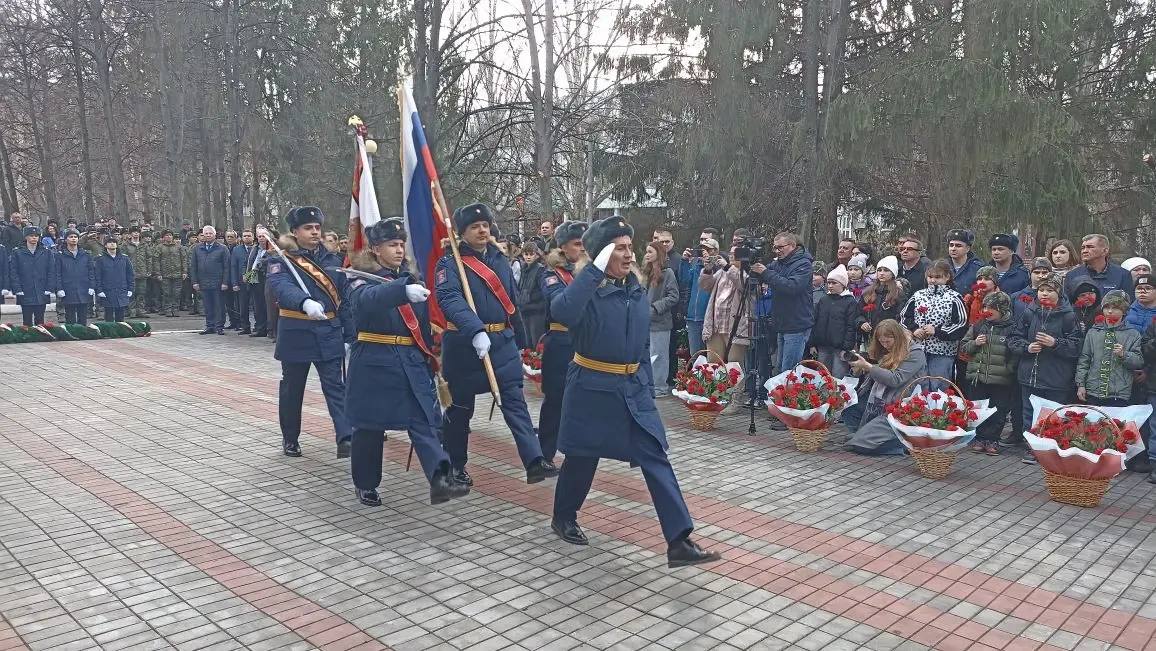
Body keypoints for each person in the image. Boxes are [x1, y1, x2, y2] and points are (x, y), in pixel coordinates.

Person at [548, 216, 720, 567]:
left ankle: (678, 540)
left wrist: (642, 384)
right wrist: (593, 272)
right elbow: (561, 312)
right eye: (619, 248)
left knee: (655, 454)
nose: (630, 255)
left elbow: (641, 346)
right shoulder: (585, 290)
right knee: (582, 458)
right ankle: (563, 516)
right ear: (599, 254)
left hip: (632, 391)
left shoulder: (635, 291)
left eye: (630, 247)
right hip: (592, 390)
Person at [345, 218, 469, 507]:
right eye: (392, 245)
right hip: (374, 361)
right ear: (376, 249)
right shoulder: (359, 277)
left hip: (409, 361)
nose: (399, 250)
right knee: (369, 428)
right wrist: (401, 291)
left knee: (423, 421)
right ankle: (365, 484)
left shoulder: (410, 280)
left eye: (401, 244)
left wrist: (429, 357)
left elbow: (421, 326)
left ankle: (440, 480)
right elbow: (367, 300)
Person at [435, 203, 552, 486]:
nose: (482, 230)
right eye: (475, 226)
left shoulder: (498, 259)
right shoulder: (450, 264)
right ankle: (456, 465)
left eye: (485, 225)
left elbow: (510, 301)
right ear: (462, 233)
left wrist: (522, 340)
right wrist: (475, 330)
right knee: (460, 410)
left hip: (500, 342)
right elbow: (450, 300)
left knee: (515, 402)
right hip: (465, 345)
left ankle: (534, 461)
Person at [267, 206, 353, 459]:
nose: (315, 232)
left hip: (328, 331)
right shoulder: (280, 259)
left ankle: (345, 437)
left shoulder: (332, 259)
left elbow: (344, 301)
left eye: (317, 228)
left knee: (336, 387)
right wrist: (304, 301)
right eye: (308, 228)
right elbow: (281, 287)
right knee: (293, 390)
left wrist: (349, 336)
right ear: (295, 231)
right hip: (297, 333)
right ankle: (290, 438)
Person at [1008, 273, 1082, 464]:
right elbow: (1014, 338)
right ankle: (1032, 448)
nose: (1045, 294)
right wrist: (1027, 347)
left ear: (1059, 292)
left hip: (1055, 377)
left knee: (1051, 414)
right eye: (1041, 290)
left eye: (1050, 290)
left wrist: (1055, 343)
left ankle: (1048, 448)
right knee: (1029, 413)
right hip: (1028, 374)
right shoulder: (1029, 312)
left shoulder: (1069, 316)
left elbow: (1076, 346)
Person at [539, 221, 587, 467]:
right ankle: (545, 454)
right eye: (577, 244)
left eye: (584, 244)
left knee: (580, 402)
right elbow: (561, 308)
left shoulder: (589, 272)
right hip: (560, 343)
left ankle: (575, 452)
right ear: (563, 247)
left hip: (583, 342)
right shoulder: (551, 275)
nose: (582, 249)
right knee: (555, 401)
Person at [843, 320, 928, 455]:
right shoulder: (888, 351)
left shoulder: (915, 353)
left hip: (899, 405)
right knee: (848, 407)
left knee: (859, 445)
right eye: (882, 342)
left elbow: (895, 379)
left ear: (898, 338)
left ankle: (905, 445)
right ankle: (866, 435)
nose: (885, 345)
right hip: (881, 401)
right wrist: (860, 369)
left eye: (888, 342)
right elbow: (878, 375)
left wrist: (869, 367)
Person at [700, 231, 755, 411]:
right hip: (717, 325)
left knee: (734, 364)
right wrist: (708, 270)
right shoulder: (722, 273)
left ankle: (735, 401)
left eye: (735, 255)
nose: (731, 257)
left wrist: (727, 268)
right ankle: (714, 396)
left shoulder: (745, 274)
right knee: (713, 361)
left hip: (736, 327)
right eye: (730, 254)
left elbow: (743, 286)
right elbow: (705, 286)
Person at [959, 292, 1017, 455]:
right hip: (978, 376)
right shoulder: (978, 326)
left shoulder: (1012, 328)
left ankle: (993, 439)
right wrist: (975, 343)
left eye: (991, 308)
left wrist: (1009, 369)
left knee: (998, 410)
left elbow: (1015, 353)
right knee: (979, 409)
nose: (987, 311)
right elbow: (964, 347)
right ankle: (979, 437)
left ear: (1002, 309)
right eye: (985, 307)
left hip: (1001, 378)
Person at [751, 232, 816, 376]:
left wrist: (766, 272)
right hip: (781, 323)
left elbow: (792, 287)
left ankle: (786, 397)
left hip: (796, 324)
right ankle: (778, 397)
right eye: (775, 248)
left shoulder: (804, 264)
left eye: (780, 247)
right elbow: (763, 273)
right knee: (780, 367)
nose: (777, 251)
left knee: (788, 371)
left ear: (792, 246)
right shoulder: (779, 263)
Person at [899, 260, 968, 386]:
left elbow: (961, 324)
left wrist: (937, 331)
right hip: (918, 349)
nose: (933, 280)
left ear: (947, 277)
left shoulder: (954, 298)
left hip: (942, 351)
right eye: (930, 277)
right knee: (917, 383)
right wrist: (914, 330)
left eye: (938, 277)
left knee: (937, 384)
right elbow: (904, 317)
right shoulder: (918, 295)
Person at [1075, 290, 1144, 408]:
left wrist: (1124, 355)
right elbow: (1084, 360)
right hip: (1093, 391)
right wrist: (1081, 384)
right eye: (1107, 307)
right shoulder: (1093, 332)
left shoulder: (1133, 334)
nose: (1110, 311)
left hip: (1119, 393)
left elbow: (1138, 362)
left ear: (1124, 311)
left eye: (1115, 308)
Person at [643, 241, 679, 397]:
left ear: (658, 253)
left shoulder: (668, 272)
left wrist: (655, 307)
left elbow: (674, 296)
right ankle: (648, 385)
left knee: (659, 356)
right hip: (645, 321)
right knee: (647, 355)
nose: (647, 254)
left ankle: (660, 387)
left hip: (660, 322)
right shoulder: (646, 272)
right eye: (646, 251)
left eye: (650, 251)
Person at [810, 265, 859, 378]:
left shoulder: (850, 302)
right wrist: (812, 344)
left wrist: (846, 348)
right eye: (829, 283)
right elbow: (815, 322)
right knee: (822, 375)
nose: (830, 286)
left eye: (834, 283)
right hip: (823, 345)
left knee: (838, 377)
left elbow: (851, 326)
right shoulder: (823, 300)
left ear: (843, 284)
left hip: (840, 348)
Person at [1064, 233, 1134, 301]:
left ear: (1105, 251)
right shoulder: (1072, 275)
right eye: (1083, 248)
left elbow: (1129, 302)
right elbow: (1067, 306)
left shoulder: (1123, 275)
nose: (1084, 251)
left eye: (1090, 247)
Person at [9, 226, 56, 326]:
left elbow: (51, 271)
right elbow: (14, 272)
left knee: (40, 319)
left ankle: (40, 336)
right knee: (27, 320)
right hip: (25, 289)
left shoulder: (46, 252)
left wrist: (49, 287)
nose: (34, 238)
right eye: (31, 236)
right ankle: (28, 337)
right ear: (26, 237)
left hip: (41, 288)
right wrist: (17, 288)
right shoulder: (17, 252)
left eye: (36, 236)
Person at [681, 233, 719, 355]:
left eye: (708, 249)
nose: (705, 252)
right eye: (702, 249)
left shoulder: (720, 268)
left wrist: (710, 265)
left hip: (711, 319)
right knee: (695, 357)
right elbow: (684, 281)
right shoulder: (695, 266)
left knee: (712, 357)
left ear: (716, 251)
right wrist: (685, 262)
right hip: (693, 318)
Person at [190, 226, 230, 334]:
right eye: (205, 234)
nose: (208, 235)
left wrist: (225, 282)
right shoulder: (197, 248)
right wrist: (195, 282)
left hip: (218, 282)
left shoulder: (222, 248)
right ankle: (209, 326)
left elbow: (227, 267)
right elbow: (193, 266)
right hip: (203, 282)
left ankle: (219, 327)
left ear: (214, 235)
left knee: (219, 306)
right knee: (207, 306)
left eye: (210, 234)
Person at [857, 256, 905, 344]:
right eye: (879, 270)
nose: (881, 273)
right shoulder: (868, 292)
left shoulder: (898, 294)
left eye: (886, 270)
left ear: (893, 273)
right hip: (869, 337)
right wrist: (862, 323)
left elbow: (900, 317)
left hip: (888, 338)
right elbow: (858, 312)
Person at [55, 229, 95, 326]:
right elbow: (57, 273)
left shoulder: (85, 255)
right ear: (66, 239)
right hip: (68, 288)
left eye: (75, 237)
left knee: (83, 317)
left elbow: (91, 271)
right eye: (71, 237)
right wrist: (59, 288)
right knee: (70, 317)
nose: (73, 239)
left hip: (83, 287)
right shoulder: (60, 256)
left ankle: (82, 334)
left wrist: (92, 286)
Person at [94, 237, 134, 322]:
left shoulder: (124, 258)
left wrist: (130, 288)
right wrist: (99, 290)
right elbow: (98, 276)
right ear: (105, 245)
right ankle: (110, 332)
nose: (112, 244)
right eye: (109, 242)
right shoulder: (100, 259)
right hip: (107, 290)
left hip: (121, 289)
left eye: (114, 242)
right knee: (109, 314)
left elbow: (130, 275)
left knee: (120, 314)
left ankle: (121, 331)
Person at [516, 240, 547, 346]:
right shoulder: (524, 269)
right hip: (525, 310)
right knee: (527, 342)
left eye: (531, 254)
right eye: (526, 254)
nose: (528, 257)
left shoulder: (540, 270)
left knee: (536, 342)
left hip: (536, 312)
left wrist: (531, 298)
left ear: (537, 255)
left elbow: (543, 291)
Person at [153, 230, 187, 317]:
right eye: (167, 235)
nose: (169, 237)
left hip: (177, 273)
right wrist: (158, 273)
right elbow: (156, 261)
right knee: (166, 293)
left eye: (170, 235)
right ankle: (167, 309)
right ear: (163, 237)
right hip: (165, 274)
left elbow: (184, 259)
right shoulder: (159, 247)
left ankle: (175, 309)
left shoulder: (179, 247)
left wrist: (184, 271)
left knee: (177, 293)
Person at [230, 230, 257, 334]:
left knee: (256, 305)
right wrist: (234, 283)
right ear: (241, 238)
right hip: (241, 281)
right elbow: (233, 266)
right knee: (243, 305)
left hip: (255, 281)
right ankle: (245, 326)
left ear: (253, 237)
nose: (247, 237)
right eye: (244, 236)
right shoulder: (237, 250)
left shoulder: (257, 248)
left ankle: (258, 326)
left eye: (249, 236)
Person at [1140, 316, 1156, 483]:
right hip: (1154, 385)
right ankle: (1154, 464)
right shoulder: (1154, 325)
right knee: (1155, 427)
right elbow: (1146, 352)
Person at [247, 229, 271, 337]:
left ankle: (268, 328)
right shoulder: (255, 248)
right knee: (257, 305)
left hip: (265, 277)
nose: (261, 238)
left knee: (266, 304)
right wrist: (247, 278)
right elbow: (250, 263)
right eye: (259, 236)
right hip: (254, 278)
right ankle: (259, 327)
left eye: (263, 236)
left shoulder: (271, 249)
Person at [121, 227, 150, 317]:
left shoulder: (144, 245)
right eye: (134, 232)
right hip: (130, 273)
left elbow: (149, 258)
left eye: (137, 232)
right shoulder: (125, 245)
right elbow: (122, 259)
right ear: (130, 234)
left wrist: (149, 270)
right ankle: (132, 311)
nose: (136, 234)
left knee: (141, 293)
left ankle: (141, 310)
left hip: (142, 272)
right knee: (131, 293)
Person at [946, 229, 983, 294]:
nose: (953, 249)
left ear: (967, 248)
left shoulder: (978, 269)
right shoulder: (941, 266)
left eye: (958, 246)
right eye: (951, 245)